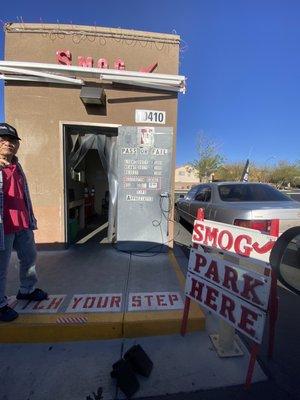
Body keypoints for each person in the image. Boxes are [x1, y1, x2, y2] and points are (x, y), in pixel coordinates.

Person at [0, 123, 48, 322]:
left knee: (29, 258)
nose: (8, 144)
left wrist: (30, 219)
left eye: (12, 141)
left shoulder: (17, 166)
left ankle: (26, 290)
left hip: (23, 222)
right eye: (3, 140)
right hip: (3, 226)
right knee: (1, 267)